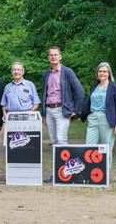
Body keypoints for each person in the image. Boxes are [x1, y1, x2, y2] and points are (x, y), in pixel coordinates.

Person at [41, 46, 84, 183]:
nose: (53, 57)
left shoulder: (67, 72)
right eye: (51, 55)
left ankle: (67, 172)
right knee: (54, 142)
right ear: (48, 58)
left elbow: (80, 91)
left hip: (62, 111)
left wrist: (75, 110)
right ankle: (57, 173)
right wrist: (43, 112)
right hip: (49, 110)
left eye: (56, 55)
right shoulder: (45, 74)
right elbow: (44, 94)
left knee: (61, 140)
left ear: (60, 56)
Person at [81, 62, 116, 170]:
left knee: (106, 149)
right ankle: (89, 172)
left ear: (109, 73)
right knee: (89, 147)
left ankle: (105, 176)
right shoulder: (93, 87)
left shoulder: (114, 87)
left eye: (104, 71)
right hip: (93, 119)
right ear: (97, 73)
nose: (102, 73)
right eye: (100, 71)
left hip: (107, 119)